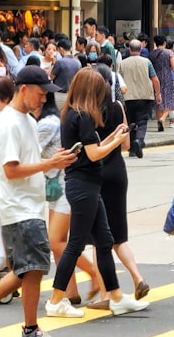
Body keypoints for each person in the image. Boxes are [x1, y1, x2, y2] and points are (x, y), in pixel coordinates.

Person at [0, 66, 79, 337]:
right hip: (19, 207)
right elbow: (11, 170)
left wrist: (53, 160)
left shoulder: (26, 119)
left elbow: (27, 160)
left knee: (30, 268)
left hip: (30, 205)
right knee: (33, 267)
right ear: (23, 89)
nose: (43, 100)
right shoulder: (9, 124)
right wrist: (49, 164)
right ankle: (25, 328)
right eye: (40, 94)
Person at [43, 68, 147, 318]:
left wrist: (111, 136)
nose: (103, 96)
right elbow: (93, 154)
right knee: (76, 243)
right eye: (100, 90)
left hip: (84, 183)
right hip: (84, 184)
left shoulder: (71, 113)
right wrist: (114, 141)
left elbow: (92, 147)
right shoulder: (84, 116)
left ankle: (117, 297)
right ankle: (56, 300)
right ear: (93, 91)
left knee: (104, 241)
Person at [34, 90, 105, 304]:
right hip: (58, 185)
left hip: (64, 185)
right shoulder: (54, 119)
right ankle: (70, 292)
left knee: (57, 240)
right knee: (60, 240)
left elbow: (28, 153)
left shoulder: (47, 124)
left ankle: (92, 274)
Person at [93, 63, 149, 299]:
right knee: (119, 234)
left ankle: (106, 294)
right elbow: (126, 144)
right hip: (118, 171)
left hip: (97, 171)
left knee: (99, 238)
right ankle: (138, 278)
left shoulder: (88, 110)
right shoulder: (118, 107)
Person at [117, 39, 161, 159]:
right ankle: (139, 141)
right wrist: (158, 94)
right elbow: (155, 79)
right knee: (142, 121)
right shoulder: (147, 62)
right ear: (140, 49)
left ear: (129, 50)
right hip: (145, 96)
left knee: (131, 122)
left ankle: (132, 148)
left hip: (128, 97)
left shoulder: (123, 64)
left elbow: (119, 80)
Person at [149, 35, 174, 131]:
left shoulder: (151, 54)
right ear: (164, 43)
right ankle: (163, 118)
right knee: (169, 100)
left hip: (155, 78)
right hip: (167, 77)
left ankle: (159, 123)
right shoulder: (169, 52)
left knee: (158, 100)